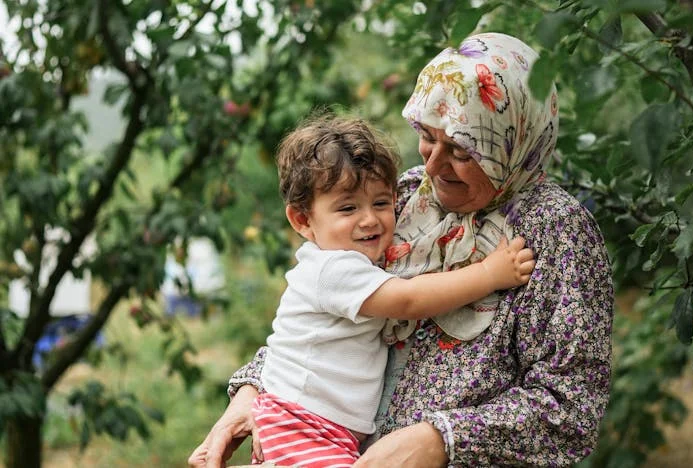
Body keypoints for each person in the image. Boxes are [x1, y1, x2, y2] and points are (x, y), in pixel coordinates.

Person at [189, 32, 614, 468]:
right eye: (428, 136)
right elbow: (323, 325)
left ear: (512, 141)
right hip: (321, 441)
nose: (432, 164)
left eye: (461, 149)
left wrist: (441, 440)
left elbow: (569, 411)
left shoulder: (556, 232)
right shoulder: (406, 194)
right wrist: (251, 392)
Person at [230, 115, 534, 467]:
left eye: (380, 203)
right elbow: (408, 299)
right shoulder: (333, 270)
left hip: (316, 425)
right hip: (303, 423)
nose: (370, 219)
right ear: (302, 221)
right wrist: (488, 274)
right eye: (348, 208)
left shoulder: (349, 263)